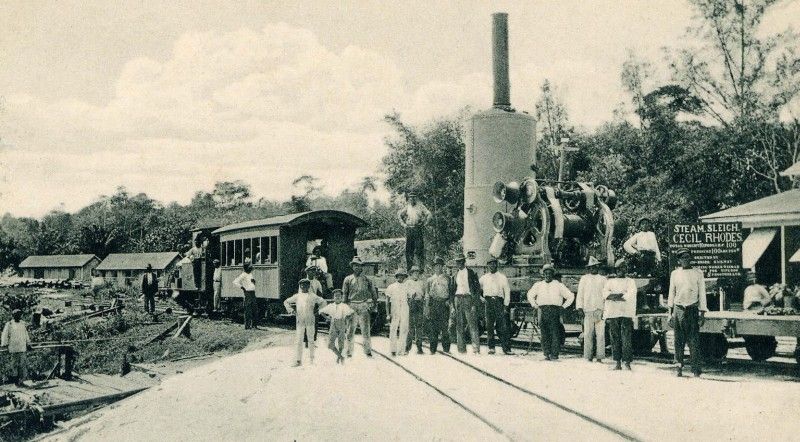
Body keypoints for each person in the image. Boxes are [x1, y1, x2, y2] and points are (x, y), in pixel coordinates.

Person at [668, 248, 708, 377]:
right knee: (678, 340)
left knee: (694, 341)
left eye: (687, 257)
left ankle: (696, 370)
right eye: (682, 258)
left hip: (692, 309)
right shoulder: (675, 274)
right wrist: (670, 313)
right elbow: (671, 293)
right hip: (678, 309)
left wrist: (702, 314)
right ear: (679, 260)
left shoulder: (698, 273)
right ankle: (678, 368)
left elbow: (702, 294)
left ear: (690, 258)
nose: (685, 260)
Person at [527, 264, 575, 360]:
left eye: (549, 273)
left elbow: (571, 296)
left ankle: (554, 354)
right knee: (544, 333)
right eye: (546, 273)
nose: (547, 275)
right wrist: (534, 305)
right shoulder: (538, 285)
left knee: (555, 333)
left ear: (552, 274)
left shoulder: (558, 285)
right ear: (543, 274)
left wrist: (563, 306)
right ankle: (546, 353)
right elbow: (530, 295)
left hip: (554, 310)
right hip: (542, 310)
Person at [603, 259, 638, 370]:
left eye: (622, 268)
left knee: (626, 338)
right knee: (615, 339)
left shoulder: (630, 281)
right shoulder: (610, 282)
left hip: (626, 313)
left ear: (626, 269)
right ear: (616, 270)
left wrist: (615, 297)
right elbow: (605, 294)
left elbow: (629, 295)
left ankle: (627, 362)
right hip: (613, 313)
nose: (620, 271)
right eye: (618, 269)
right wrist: (619, 296)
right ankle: (617, 362)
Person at [284, 279, 327, 367]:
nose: (304, 287)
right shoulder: (297, 296)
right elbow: (286, 302)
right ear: (300, 286)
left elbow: (323, 302)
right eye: (302, 285)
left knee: (311, 340)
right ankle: (298, 360)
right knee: (299, 340)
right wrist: (291, 310)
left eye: (306, 285)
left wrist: (318, 311)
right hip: (300, 321)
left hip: (310, 320)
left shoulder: (313, 296)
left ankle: (311, 360)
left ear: (309, 286)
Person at [343, 257, 378, 357]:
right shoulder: (348, 279)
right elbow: (345, 294)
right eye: (355, 265)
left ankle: (367, 351)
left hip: (363, 305)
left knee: (365, 330)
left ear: (361, 267)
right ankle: (349, 351)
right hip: (352, 305)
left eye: (359, 265)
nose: (357, 267)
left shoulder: (367, 279)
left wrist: (374, 305)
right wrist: (345, 308)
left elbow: (373, 293)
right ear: (352, 267)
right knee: (350, 330)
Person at [575, 256, 607, 362]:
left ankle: (600, 356)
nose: (593, 268)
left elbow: (605, 296)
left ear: (598, 267)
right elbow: (580, 294)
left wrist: (605, 310)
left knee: (600, 334)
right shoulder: (584, 279)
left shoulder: (603, 279)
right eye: (591, 267)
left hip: (599, 310)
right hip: (587, 310)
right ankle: (588, 356)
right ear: (589, 268)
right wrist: (579, 307)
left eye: (595, 267)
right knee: (588, 333)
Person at [480, 258, 512, 355]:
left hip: (499, 302)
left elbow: (507, 292)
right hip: (488, 302)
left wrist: (506, 305)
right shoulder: (484, 278)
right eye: (490, 264)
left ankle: (506, 348)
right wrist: (481, 298)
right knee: (489, 326)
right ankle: (491, 348)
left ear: (497, 265)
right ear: (487, 266)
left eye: (494, 264)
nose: (492, 266)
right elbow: (476, 288)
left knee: (502, 326)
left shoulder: (502, 277)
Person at [451, 255, 482, 354]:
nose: (458, 264)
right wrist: (452, 305)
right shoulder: (455, 275)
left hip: (468, 298)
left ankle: (476, 349)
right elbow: (452, 291)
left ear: (464, 262)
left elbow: (477, 290)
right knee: (459, 325)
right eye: (457, 262)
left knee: (472, 324)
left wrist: (474, 304)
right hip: (458, 299)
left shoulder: (471, 273)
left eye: (460, 262)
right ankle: (461, 349)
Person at [319, 289, 355, 364]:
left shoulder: (344, 306)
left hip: (342, 323)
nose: (338, 297)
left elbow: (351, 313)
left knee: (341, 342)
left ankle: (339, 357)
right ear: (333, 297)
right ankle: (341, 357)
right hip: (333, 323)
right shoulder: (331, 306)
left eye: (339, 296)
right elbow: (321, 311)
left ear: (341, 297)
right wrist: (327, 318)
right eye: (336, 296)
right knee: (330, 344)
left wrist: (346, 319)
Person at [425, 257, 452, 354]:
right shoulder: (430, 280)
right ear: (433, 267)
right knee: (433, 328)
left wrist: (449, 302)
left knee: (445, 327)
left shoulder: (448, 278)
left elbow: (451, 292)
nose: (438, 268)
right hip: (434, 304)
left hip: (444, 304)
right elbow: (427, 294)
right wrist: (427, 307)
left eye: (440, 266)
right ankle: (433, 349)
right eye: (436, 266)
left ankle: (446, 348)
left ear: (442, 267)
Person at [398, 192, 432, 270]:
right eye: (411, 197)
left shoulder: (420, 206)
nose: (412, 199)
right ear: (409, 199)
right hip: (409, 229)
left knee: (419, 249)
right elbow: (399, 215)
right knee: (409, 249)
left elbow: (429, 214)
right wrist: (404, 225)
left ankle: (421, 269)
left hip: (418, 229)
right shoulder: (407, 207)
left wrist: (425, 223)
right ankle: (409, 268)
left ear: (416, 198)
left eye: (414, 197)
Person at [1, 309, 31, 387]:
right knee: (14, 365)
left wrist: (28, 343)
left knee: (22, 365)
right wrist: (4, 344)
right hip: (13, 348)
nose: (18, 316)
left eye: (19, 314)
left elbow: (26, 334)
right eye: (16, 314)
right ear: (13, 315)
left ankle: (21, 381)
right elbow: (5, 335)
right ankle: (15, 382)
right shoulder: (9, 324)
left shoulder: (22, 323)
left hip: (22, 347)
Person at [386, 268, 410, 356]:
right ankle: (393, 349)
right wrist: (388, 313)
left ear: (404, 277)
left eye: (403, 276)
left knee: (404, 328)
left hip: (404, 307)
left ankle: (401, 350)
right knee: (393, 328)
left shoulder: (406, 286)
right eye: (399, 276)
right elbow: (387, 300)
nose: (401, 278)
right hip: (395, 308)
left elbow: (410, 297)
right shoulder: (391, 287)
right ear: (396, 277)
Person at [405, 265, 426, 354]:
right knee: (410, 326)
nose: (416, 274)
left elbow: (424, 293)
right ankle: (407, 347)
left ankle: (419, 347)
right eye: (414, 273)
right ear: (411, 274)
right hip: (411, 303)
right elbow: (406, 293)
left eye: (417, 273)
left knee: (419, 326)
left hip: (419, 303)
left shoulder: (421, 283)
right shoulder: (408, 282)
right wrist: (411, 297)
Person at [233, 263, 257, 330]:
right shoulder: (243, 275)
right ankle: (247, 326)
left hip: (252, 292)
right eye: (249, 268)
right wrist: (242, 287)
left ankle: (254, 325)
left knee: (254, 309)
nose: (251, 269)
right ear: (246, 268)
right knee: (248, 310)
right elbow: (235, 282)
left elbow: (251, 282)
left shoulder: (250, 274)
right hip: (248, 293)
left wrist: (254, 282)